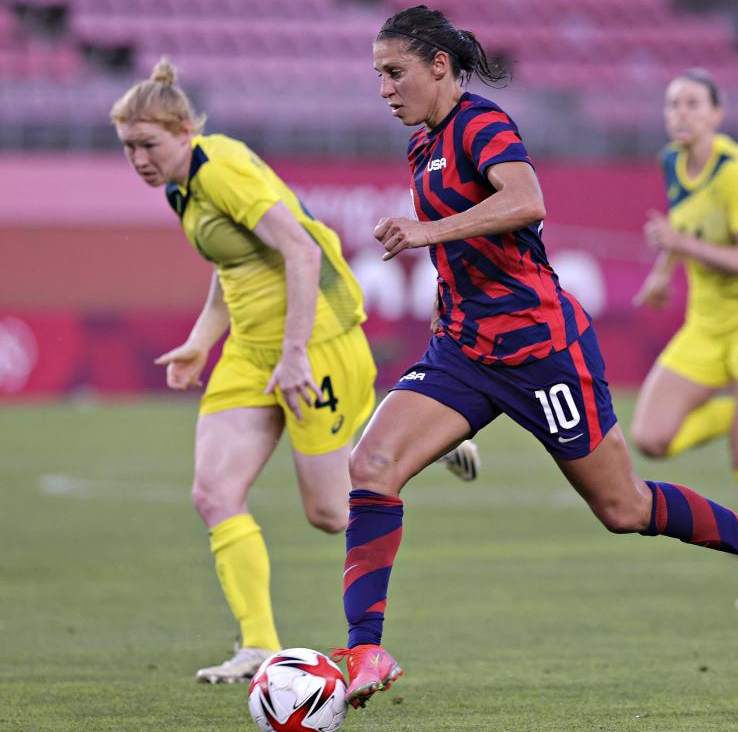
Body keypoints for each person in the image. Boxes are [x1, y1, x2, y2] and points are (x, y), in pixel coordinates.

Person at [331, 5, 738, 711]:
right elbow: (463, 255)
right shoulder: (421, 145)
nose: (384, 89)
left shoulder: (481, 124)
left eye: (394, 72)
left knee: (623, 507)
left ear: (440, 66)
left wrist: (429, 228)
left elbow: (527, 202)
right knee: (371, 465)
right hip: (465, 349)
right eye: (377, 75)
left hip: (541, 349)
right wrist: (444, 301)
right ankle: (365, 650)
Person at [110, 58, 480, 684]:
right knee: (213, 494)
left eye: (148, 144)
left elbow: (302, 252)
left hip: (317, 343)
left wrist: (294, 354)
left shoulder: (220, 169)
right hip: (252, 353)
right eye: (128, 148)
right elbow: (235, 266)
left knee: (333, 513)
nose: (139, 159)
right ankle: (256, 645)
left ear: (182, 131)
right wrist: (203, 341)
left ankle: (407, 430)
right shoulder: (180, 184)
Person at [629, 70, 738, 612]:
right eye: (671, 103)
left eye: (691, 104)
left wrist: (679, 242)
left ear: (715, 114)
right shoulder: (671, 162)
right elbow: (685, 226)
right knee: (651, 437)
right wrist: (664, 271)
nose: (679, 113)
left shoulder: (736, 171)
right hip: (706, 323)